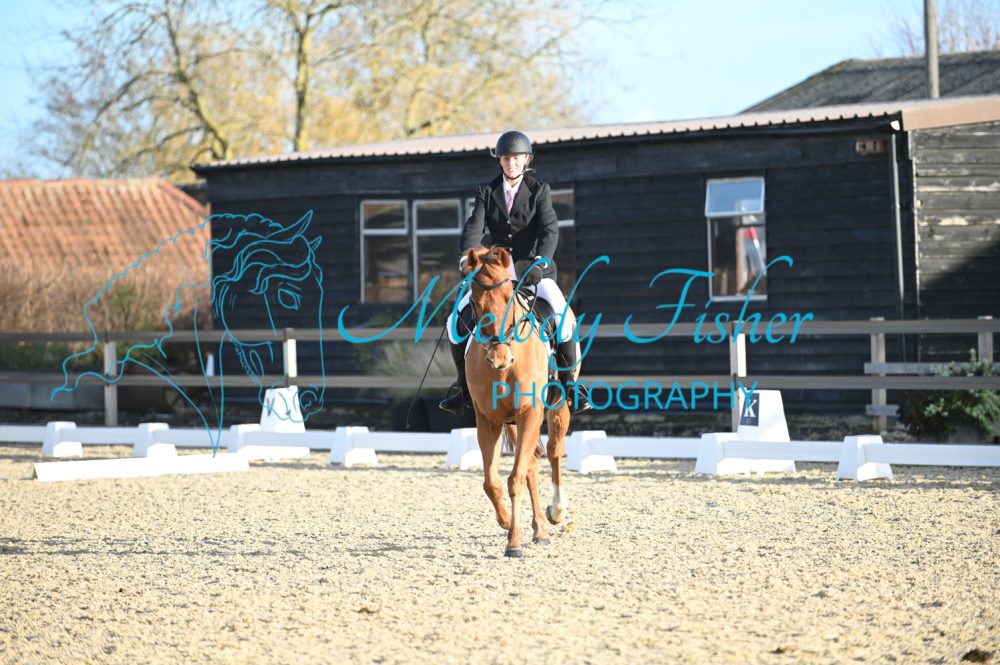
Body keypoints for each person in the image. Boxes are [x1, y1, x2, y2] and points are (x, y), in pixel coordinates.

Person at [439, 130, 591, 415]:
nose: (511, 163)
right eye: (506, 158)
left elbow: (550, 230)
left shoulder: (540, 190)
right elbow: (474, 226)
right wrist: (466, 258)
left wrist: (541, 262)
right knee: (453, 321)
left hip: (534, 269)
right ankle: (463, 389)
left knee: (561, 316)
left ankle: (570, 386)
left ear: (526, 160)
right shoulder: (486, 191)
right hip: (496, 273)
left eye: (516, 158)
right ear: (499, 161)